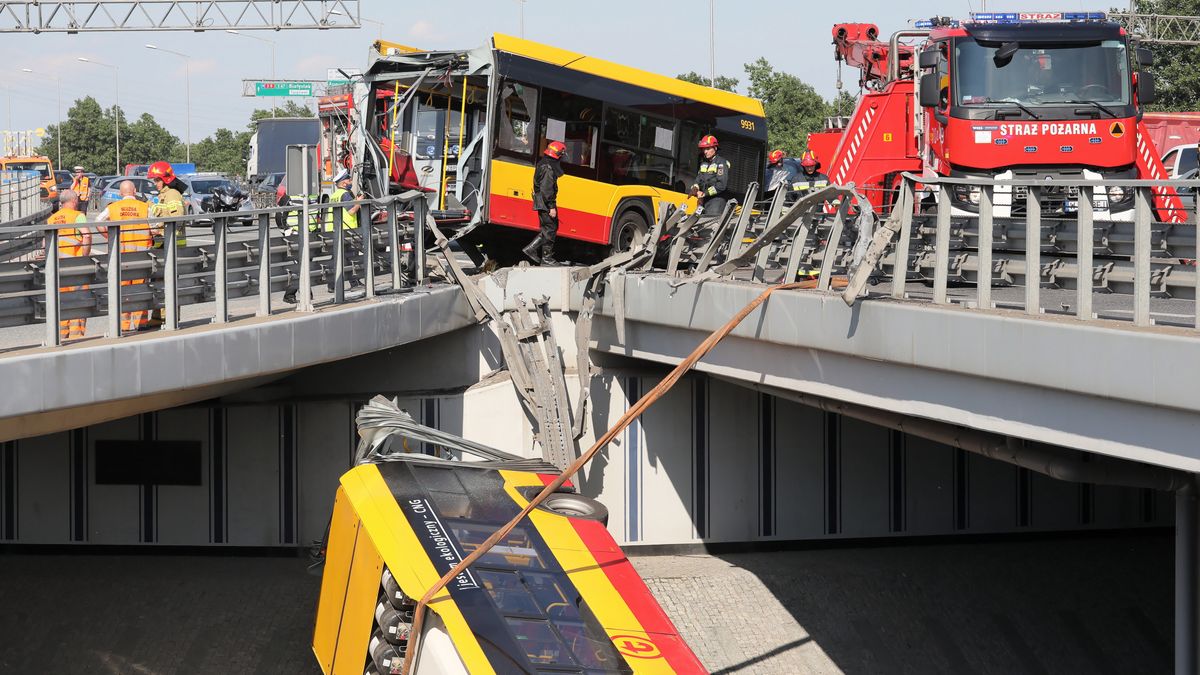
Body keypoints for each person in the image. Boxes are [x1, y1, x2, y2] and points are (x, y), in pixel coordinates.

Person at [96, 180, 152, 332]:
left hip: (120, 257)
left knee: (123, 290)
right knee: (140, 288)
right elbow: (156, 227)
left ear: (120, 193)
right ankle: (141, 323)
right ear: (135, 192)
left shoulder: (113, 208)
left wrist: (109, 237)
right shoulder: (145, 207)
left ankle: (124, 325)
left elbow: (98, 221)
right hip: (141, 256)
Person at [47, 189, 91, 341]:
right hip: (76, 266)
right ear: (74, 201)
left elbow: (44, 244)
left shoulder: (52, 219)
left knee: (62, 300)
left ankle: (62, 334)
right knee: (78, 301)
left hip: (57, 267)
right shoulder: (78, 216)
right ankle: (76, 335)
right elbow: (86, 235)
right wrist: (85, 256)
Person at [522, 140, 566, 265]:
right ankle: (543, 256)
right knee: (550, 228)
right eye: (561, 155)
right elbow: (547, 190)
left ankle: (539, 254)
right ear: (558, 155)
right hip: (545, 203)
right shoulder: (548, 168)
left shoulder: (544, 163)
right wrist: (551, 207)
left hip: (541, 202)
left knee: (549, 228)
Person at [690, 135, 731, 216]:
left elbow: (721, 185)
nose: (705, 151)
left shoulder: (721, 163)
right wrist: (695, 188)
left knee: (710, 226)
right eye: (704, 149)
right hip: (703, 201)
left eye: (708, 149)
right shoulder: (704, 163)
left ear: (715, 148)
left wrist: (704, 193)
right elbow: (698, 180)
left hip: (716, 203)